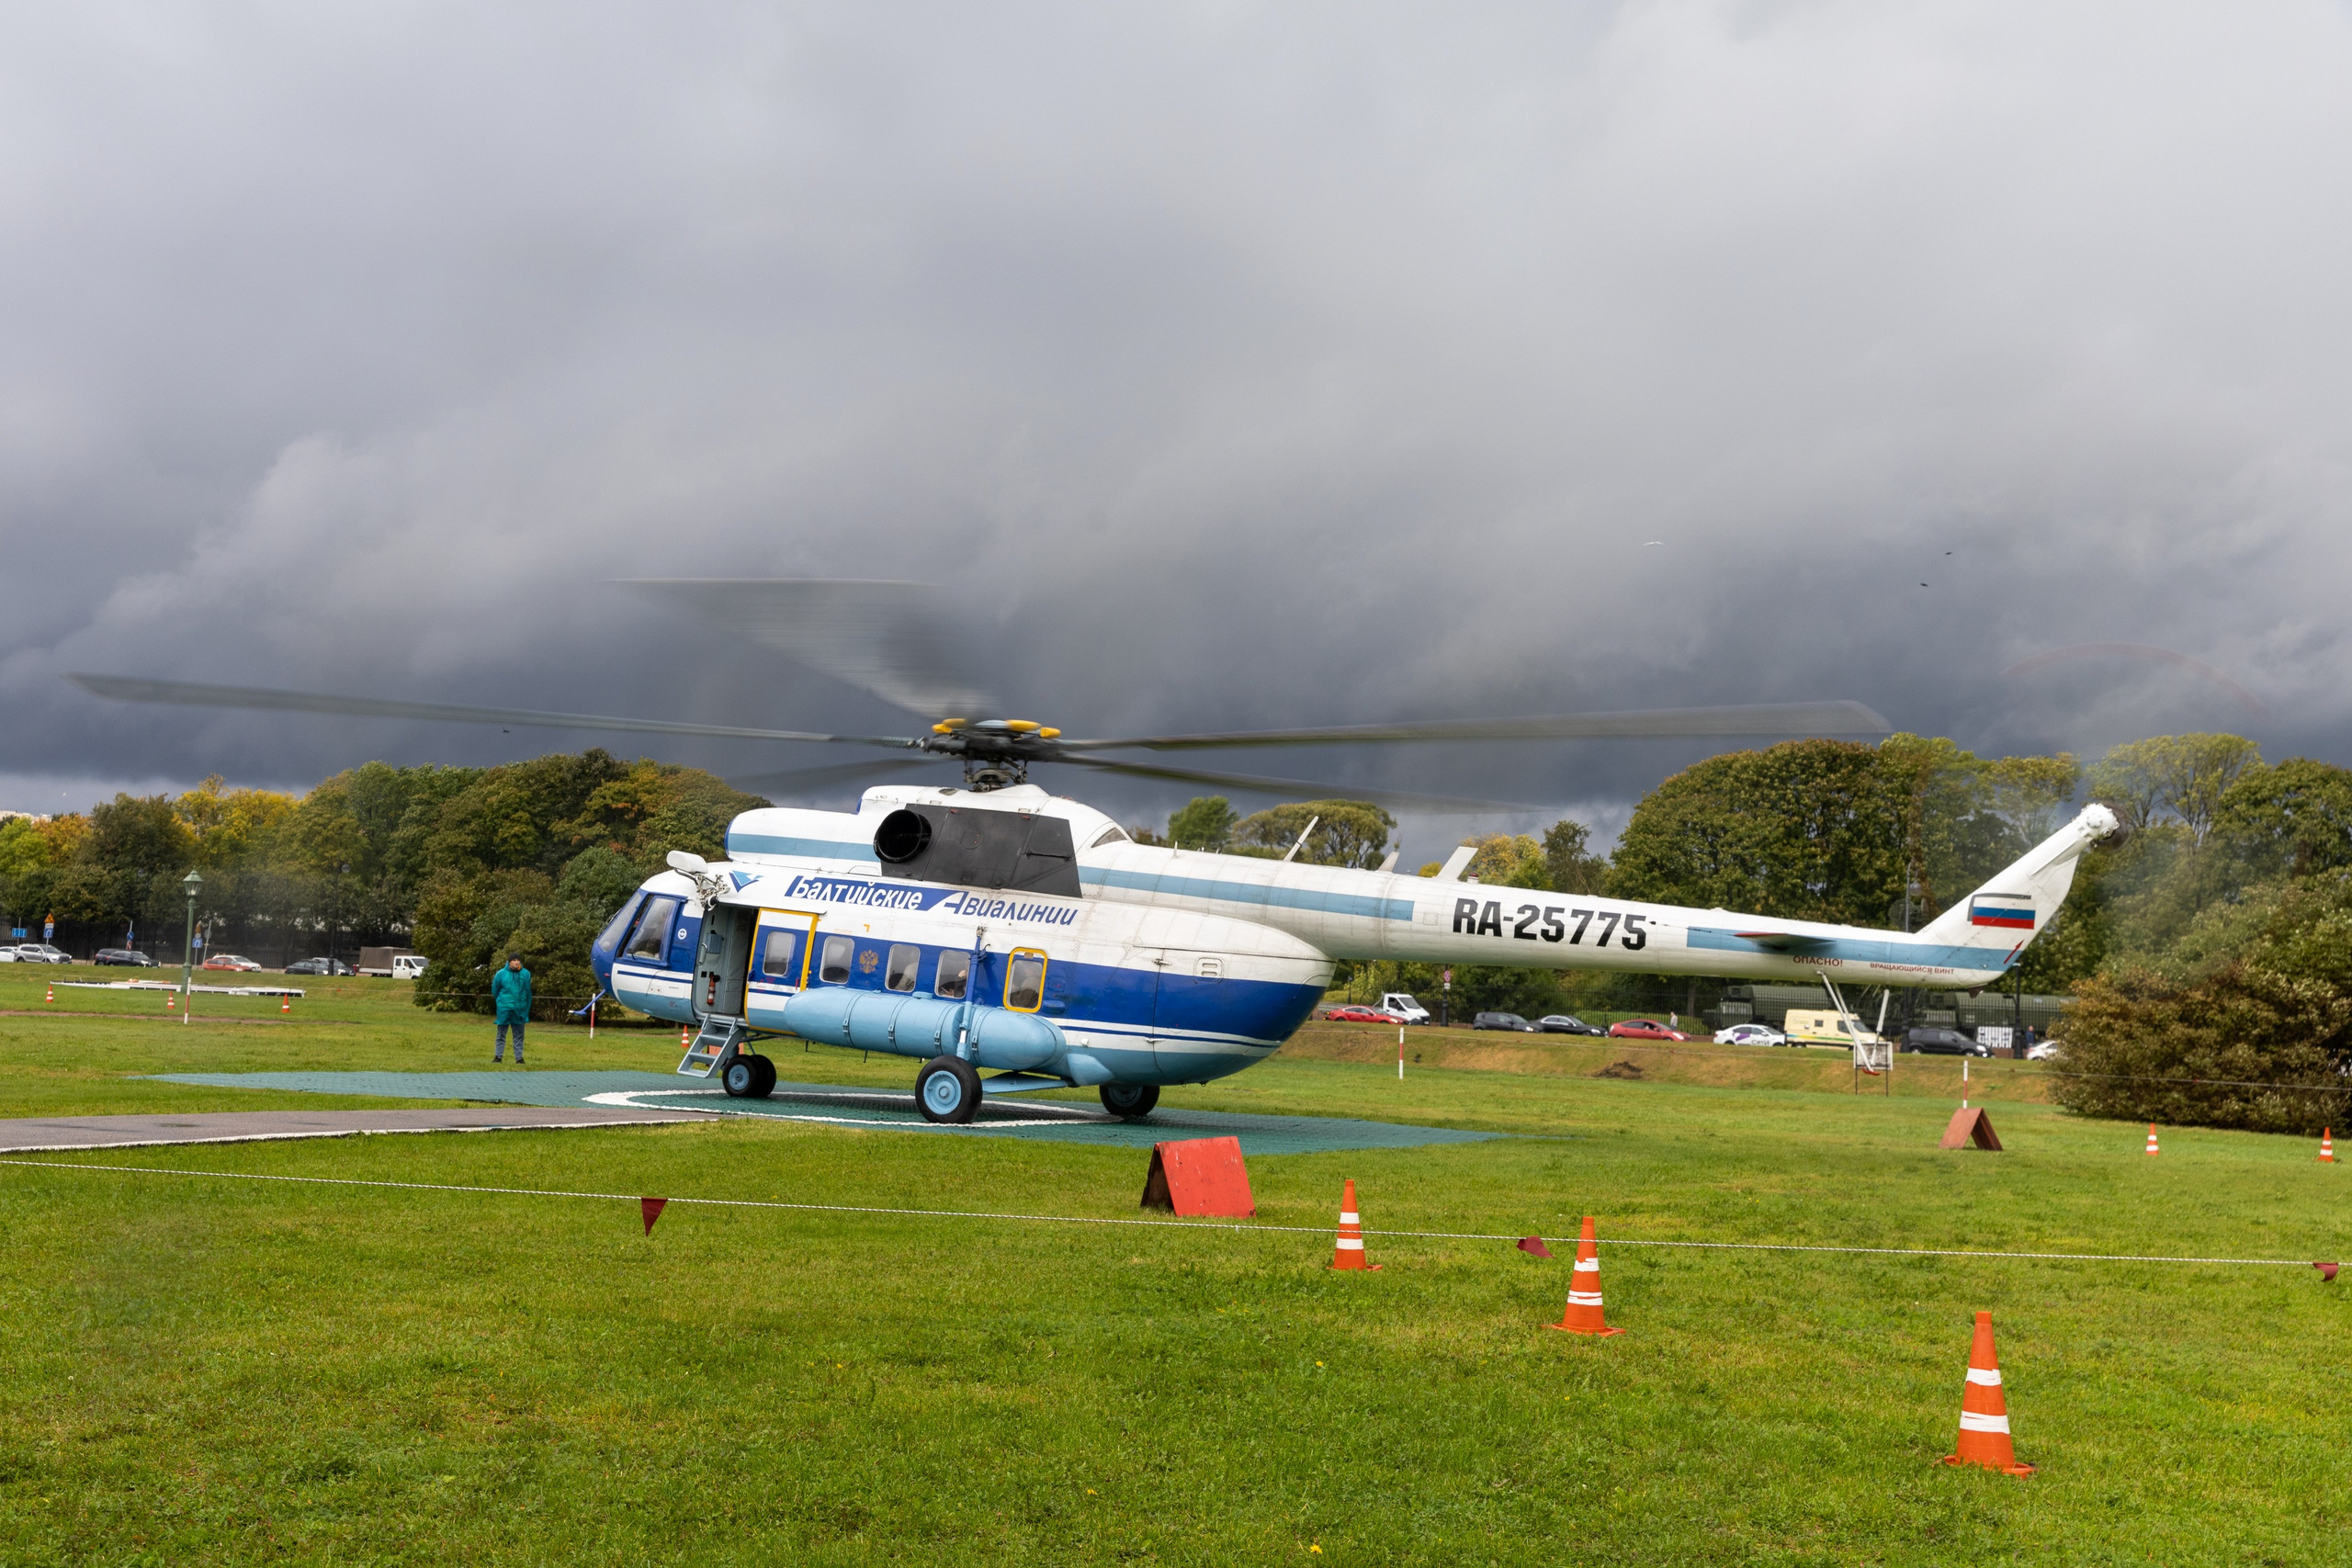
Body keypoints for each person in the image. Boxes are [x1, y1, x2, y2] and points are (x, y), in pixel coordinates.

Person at [492, 953, 533, 1066]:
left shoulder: (526, 974)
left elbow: (528, 991)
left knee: (519, 1034)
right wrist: (502, 1002)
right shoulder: (500, 974)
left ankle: (519, 1058)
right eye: (514, 960)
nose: (516, 962)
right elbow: (495, 990)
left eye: (518, 960)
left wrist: (525, 1006)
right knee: (501, 1033)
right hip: (504, 1008)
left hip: (520, 1009)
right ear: (509, 962)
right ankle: (498, 1056)